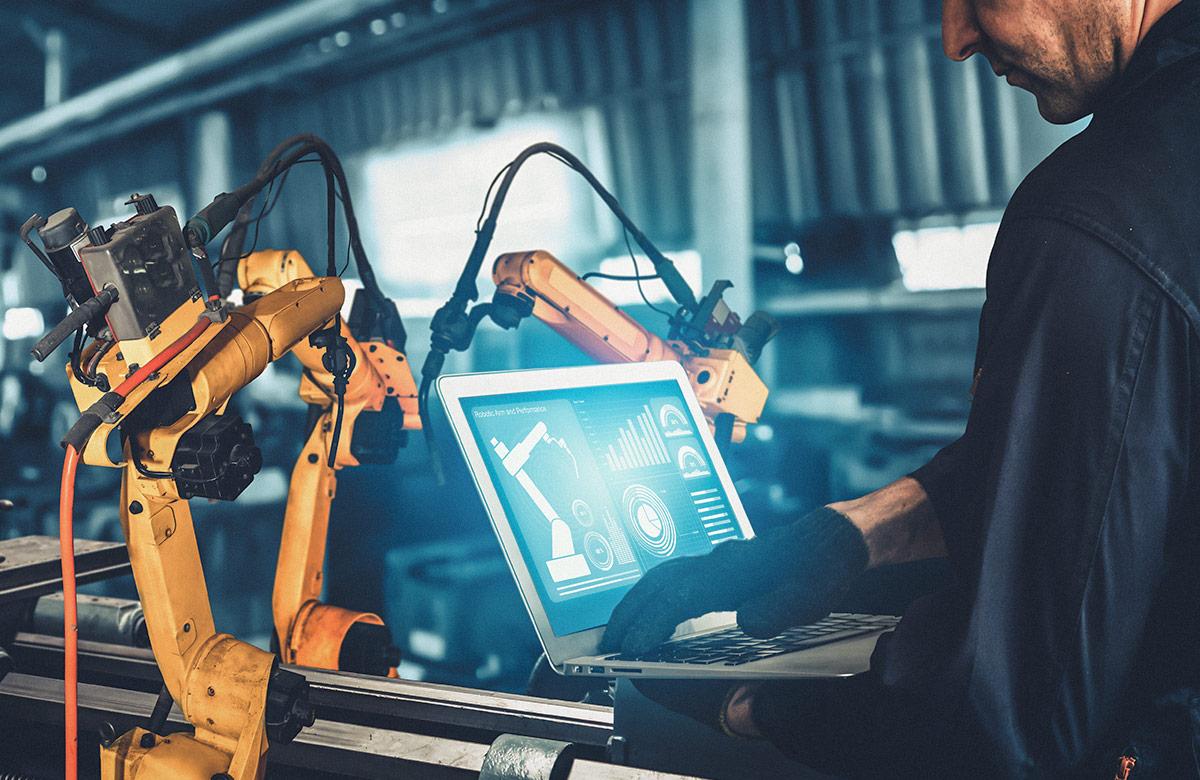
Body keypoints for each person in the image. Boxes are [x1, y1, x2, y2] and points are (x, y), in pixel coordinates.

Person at [600, 0, 1200, 776]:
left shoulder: (1099, 212)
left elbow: (1019, 723)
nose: (956, 40)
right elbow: (1127, 447)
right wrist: (857, 529)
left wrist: (743, 705)